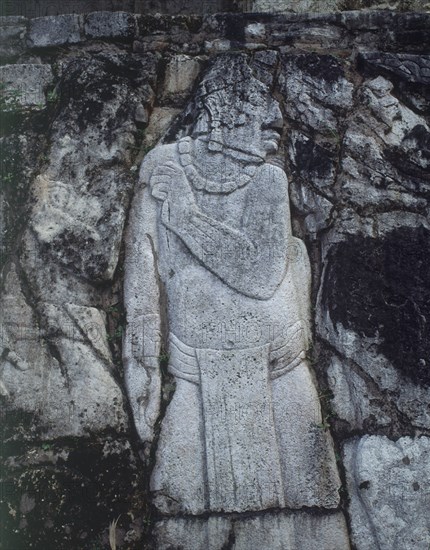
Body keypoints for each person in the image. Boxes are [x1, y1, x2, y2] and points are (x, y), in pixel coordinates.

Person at [124, 54, 341, 515]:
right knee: (177, 505)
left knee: (312, 503)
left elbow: (261, 276)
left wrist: (185, 216)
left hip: (277, 367)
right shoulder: (162, 165)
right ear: (222, 115)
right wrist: (141, 359)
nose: (274, 117)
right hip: (193, 374)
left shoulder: (267, 180)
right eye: (258, 103)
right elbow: (142, 264)